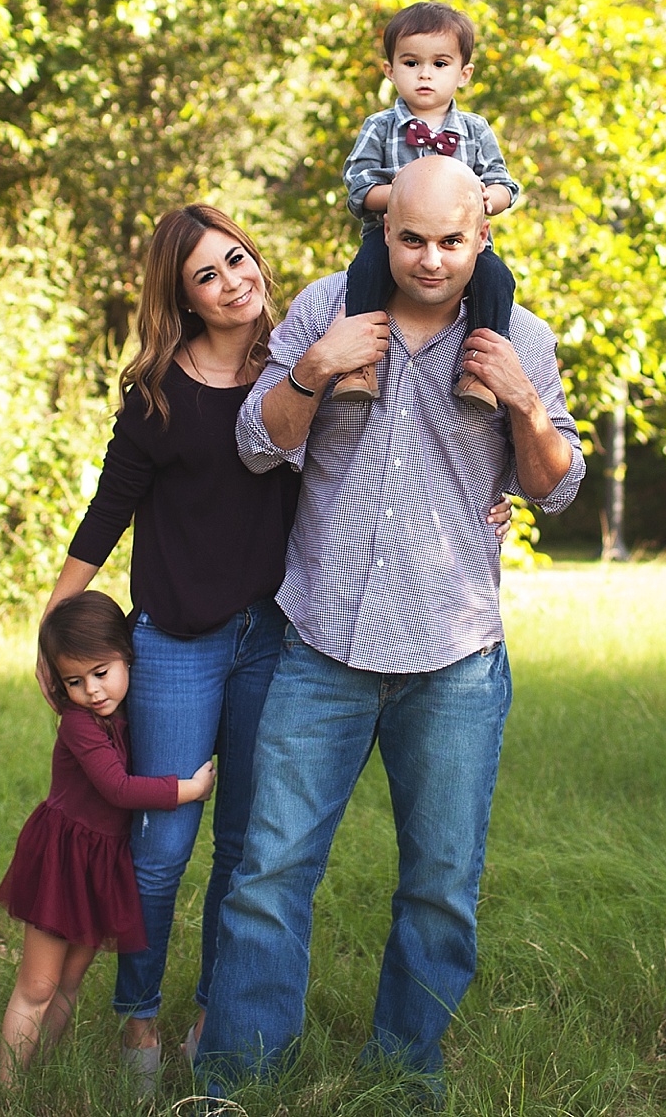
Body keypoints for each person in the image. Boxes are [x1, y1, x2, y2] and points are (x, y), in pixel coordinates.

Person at [196, 154, 585, 1099]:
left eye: (452, 241)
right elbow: (257, 444)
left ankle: (405, 1080)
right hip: (321, 641)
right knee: (267, 873)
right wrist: (314, 368)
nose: (431, 258)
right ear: (384, 232)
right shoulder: (327, 310)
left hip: (453, 658)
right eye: (410, 238)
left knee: (440, 888)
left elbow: (556, 487)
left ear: (481, 238)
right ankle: (242, 1081)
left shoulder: (519, 336)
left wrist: (528, 406)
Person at [38, 205, 301, 1089]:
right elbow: (108, 510)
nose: (234, 282)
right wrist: (53, 626)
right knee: (160, 850)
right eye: (207, 276)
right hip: (178, 643)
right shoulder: (156, 393)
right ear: (182, 299)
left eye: (238, 260)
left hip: (273, 639)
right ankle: (139, 1023)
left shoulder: (300, 369)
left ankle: (212, 1018)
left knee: (245, 848)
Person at [0, 592, 215, 1086]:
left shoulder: (128, 714)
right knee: (38, 985)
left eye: (101, 672)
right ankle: (7, 1093)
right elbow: (117, 788)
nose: (92, 690)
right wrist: (189, 790)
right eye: (75, 681)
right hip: (64, 859)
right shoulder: (78, 725)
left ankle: (37, 1078)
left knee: (69, 984)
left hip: (101, 862)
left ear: (126, 656)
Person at [334, 2, 521, 408]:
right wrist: (404, 193)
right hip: (391, 241)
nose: (424, 74)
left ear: (463, 73)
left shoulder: (475, 129)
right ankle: (358, 365)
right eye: (411, 62)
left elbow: (504, 182)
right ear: (390, 70)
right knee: (365, 272)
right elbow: (358, 187)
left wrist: (491, 197)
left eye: (439, 63)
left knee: (497, 279)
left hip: (462, 247)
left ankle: (480, 372)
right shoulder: (380, 127)